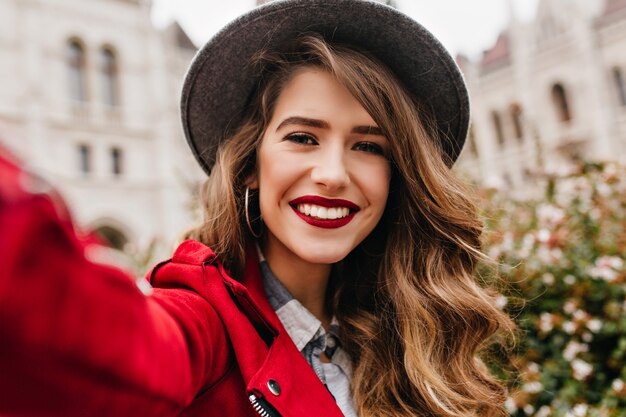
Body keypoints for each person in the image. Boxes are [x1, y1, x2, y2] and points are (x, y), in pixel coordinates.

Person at [0, 1, 515, 416]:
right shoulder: (202, 325)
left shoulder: (406, 326)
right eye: (302, 137)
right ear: (250, 164)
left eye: (368, 146)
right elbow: (100, 352)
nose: (333, 173)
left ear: (396, 176)